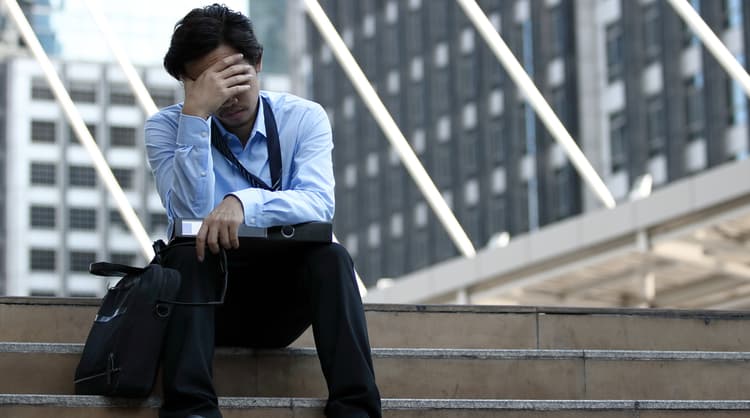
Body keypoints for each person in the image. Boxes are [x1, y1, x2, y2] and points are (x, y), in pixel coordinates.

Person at [144, 4, 382, 418]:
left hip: (279, 306)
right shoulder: (166, 128)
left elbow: (318, 203)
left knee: (332, 257)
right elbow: (189, 215)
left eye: (237, 77)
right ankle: (191, 411)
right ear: (188, 83)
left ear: (258, 62)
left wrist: (243, 202)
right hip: (202, 306)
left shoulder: (302, 119)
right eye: (212, 84)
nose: (230, 96)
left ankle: (356, 410)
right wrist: (197, 117)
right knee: (186, 252)